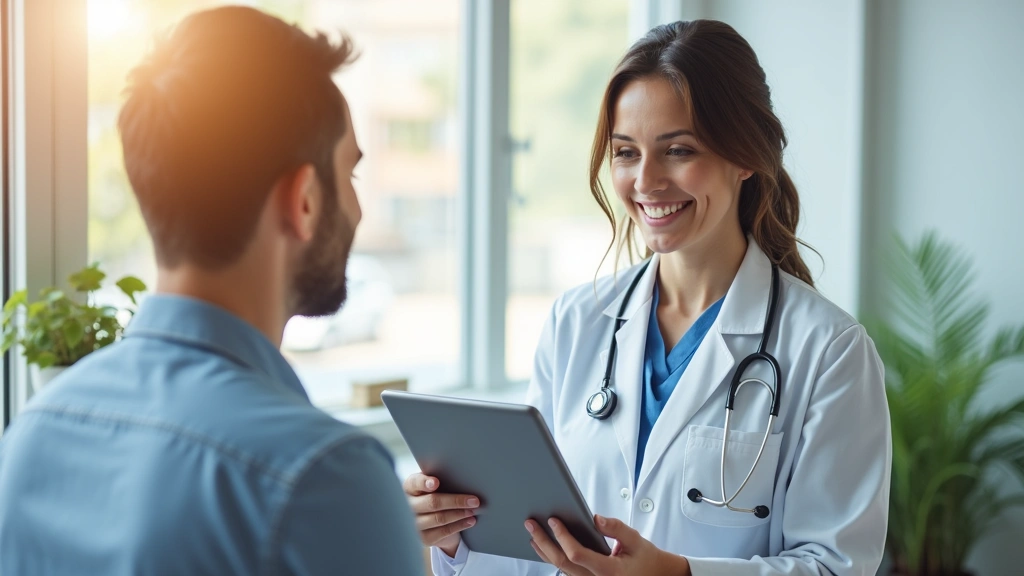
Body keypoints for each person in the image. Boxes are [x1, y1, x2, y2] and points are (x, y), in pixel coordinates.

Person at [406, 20, 891, 576]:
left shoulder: (829, 350)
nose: (646, 181)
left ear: (746, 156)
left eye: (678, 150)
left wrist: (679, 575)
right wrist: (457, 536)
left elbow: (834, 566)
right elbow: (537, 547)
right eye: (626, 152)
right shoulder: (576, 322)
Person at [0, 7, 423, 575]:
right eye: (349, 175)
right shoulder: (325, 479)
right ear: (304, 201)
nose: (357, 208)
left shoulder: (34, 433)